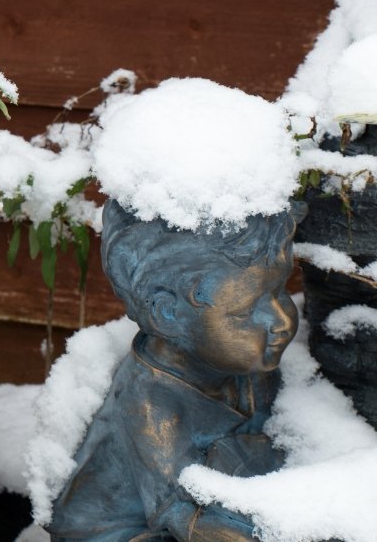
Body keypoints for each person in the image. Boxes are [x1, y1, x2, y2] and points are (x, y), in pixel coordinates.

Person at [48, 200, 300, 541]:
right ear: (168, 313)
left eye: (280, 292)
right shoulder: (151, 405)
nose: (281, 320)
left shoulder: (246, 364)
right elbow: (187, 517)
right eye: (246, 310)